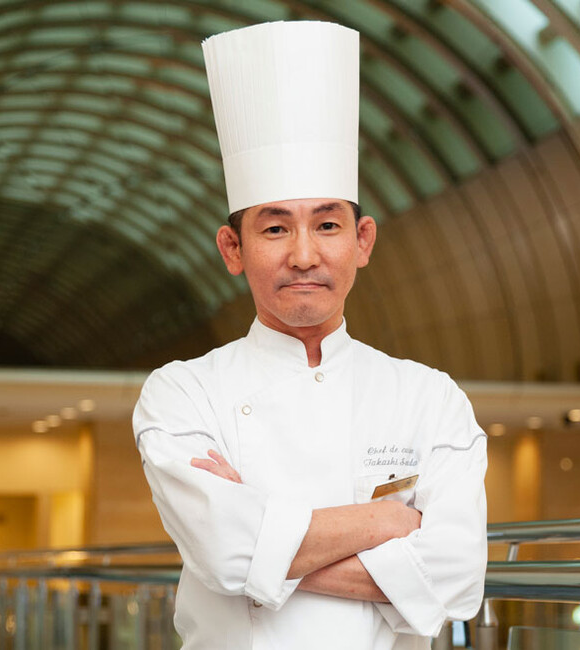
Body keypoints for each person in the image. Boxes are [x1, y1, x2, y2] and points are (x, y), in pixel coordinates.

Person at [133, 21, 487, 650]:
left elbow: (457, 581)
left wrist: (263, 545)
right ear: (232, 248)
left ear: (362, 241)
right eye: (275, 229)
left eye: (327, 225)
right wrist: (388, 521)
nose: (303, 255)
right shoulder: (182, 393)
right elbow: (221, 554)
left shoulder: (430, 398)